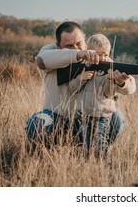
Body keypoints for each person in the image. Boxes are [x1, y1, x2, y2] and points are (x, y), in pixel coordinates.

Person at [25, 21, 127, 150]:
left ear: (84, 39)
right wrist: (78, 55)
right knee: (37, 123)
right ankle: (47, 154)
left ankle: (97, 151)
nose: (76, 48)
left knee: (117, 116)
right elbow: (41, 60)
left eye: (79, 44)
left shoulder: (96, 56)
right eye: (69, 46)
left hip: (90, 120)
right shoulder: (51, 52)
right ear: (58, 46)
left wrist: (122, 81)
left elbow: (126, 82)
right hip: (59, 121)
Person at [68, 33, 136, 157]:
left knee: (100, 145)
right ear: (89, 52)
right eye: (98, 54)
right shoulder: (83, 65)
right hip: (83, 114)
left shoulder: (111, 67)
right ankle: (88, 165)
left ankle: (103, 165)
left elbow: (108, 93)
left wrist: (113, 80)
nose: (103, 57)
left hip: (102, 114)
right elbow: (71, 90)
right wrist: (80, 79)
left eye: (105, 54)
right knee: (86, 146)